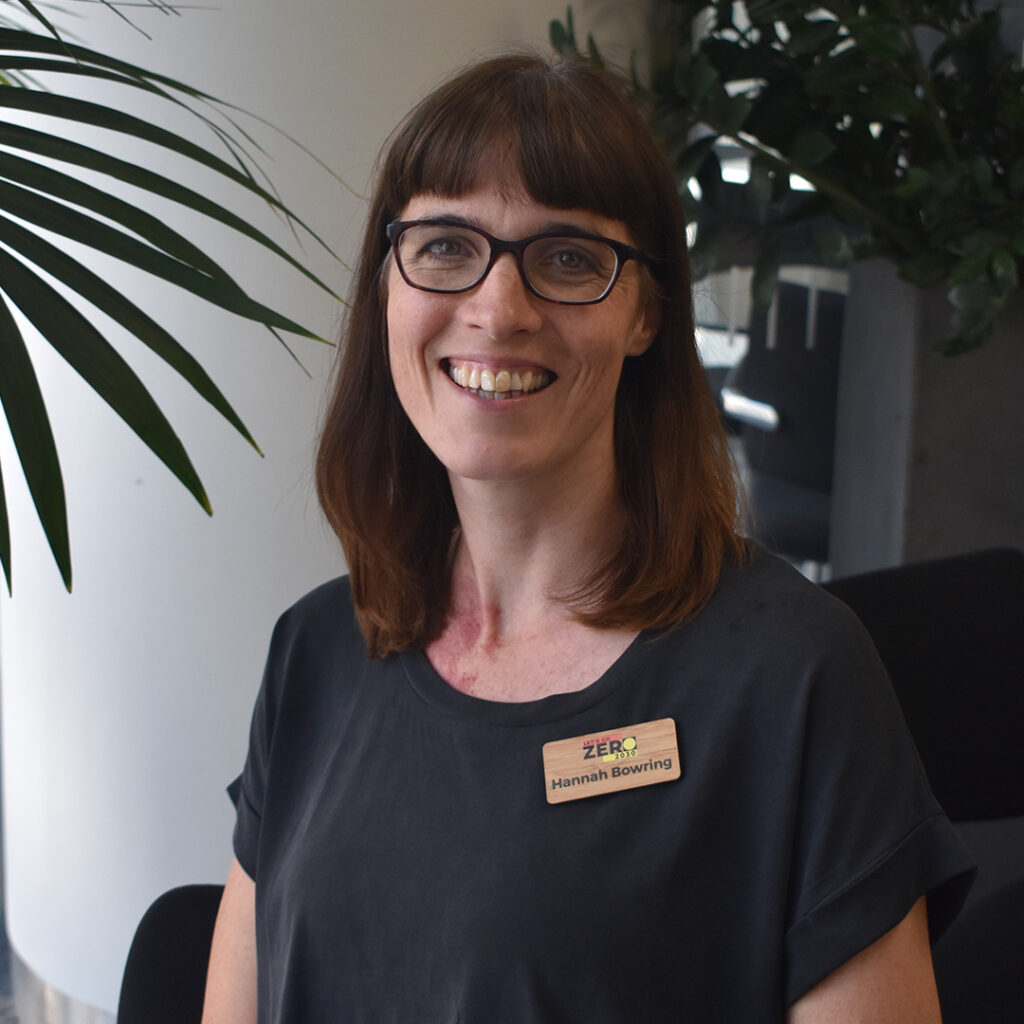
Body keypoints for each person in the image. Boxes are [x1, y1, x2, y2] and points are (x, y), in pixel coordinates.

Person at [201, 53, 974, 1023]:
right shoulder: (315, 651)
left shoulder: (792, 678)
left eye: (568, 257)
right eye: (445, 245)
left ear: (646, 311)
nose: (498, 309)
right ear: (388, 285)